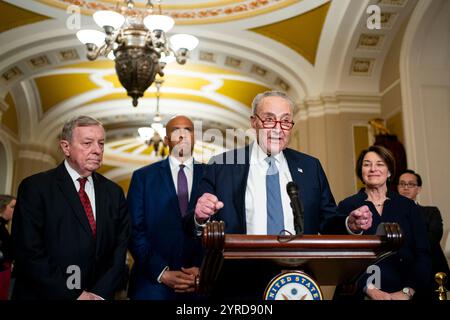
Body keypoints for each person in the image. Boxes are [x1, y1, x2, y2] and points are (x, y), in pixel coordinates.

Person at [11, 115, 130, 300]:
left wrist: (99, 294)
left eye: (101, 143)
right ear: (66, 147)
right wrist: (73, 295)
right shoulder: (36, 187)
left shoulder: (114, 192)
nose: (97, 150)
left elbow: (119, 248)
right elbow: (29, 251)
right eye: (88, 143)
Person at [336, 145, 431, 300]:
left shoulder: (408, 207)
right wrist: (370, 289)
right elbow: (340, 256)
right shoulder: (347, 206)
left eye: (380, 164)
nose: (373, 169)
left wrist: (407, 292)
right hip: (359, 291)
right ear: (361, 171)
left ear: (389, 172)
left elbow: (423, 254)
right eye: (367, 164)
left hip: (406, 291)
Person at [127, 115, 204, 300]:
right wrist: (162, 272)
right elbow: (133, 230)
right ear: (166, 139)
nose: (183, 135)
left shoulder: (213, 175)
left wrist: (205, 269)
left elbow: (224, 226)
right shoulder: (143, 178)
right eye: (176, 131)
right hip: (152, 285)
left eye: (188, 130)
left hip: (200, 286)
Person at [397, 170, 450, 281]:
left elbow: (433, 238)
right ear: (398, 187)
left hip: (432, 270)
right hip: (400, 270)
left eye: (411, 184)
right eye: (402, 184)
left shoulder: (431, 212)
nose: (406, 187)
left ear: (419, 189)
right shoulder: (390, 215)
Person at [0, 195, 16, 300]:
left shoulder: (3, 226)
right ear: (3, 207)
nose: (15, 210)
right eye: (13, 207)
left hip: (5, 270)